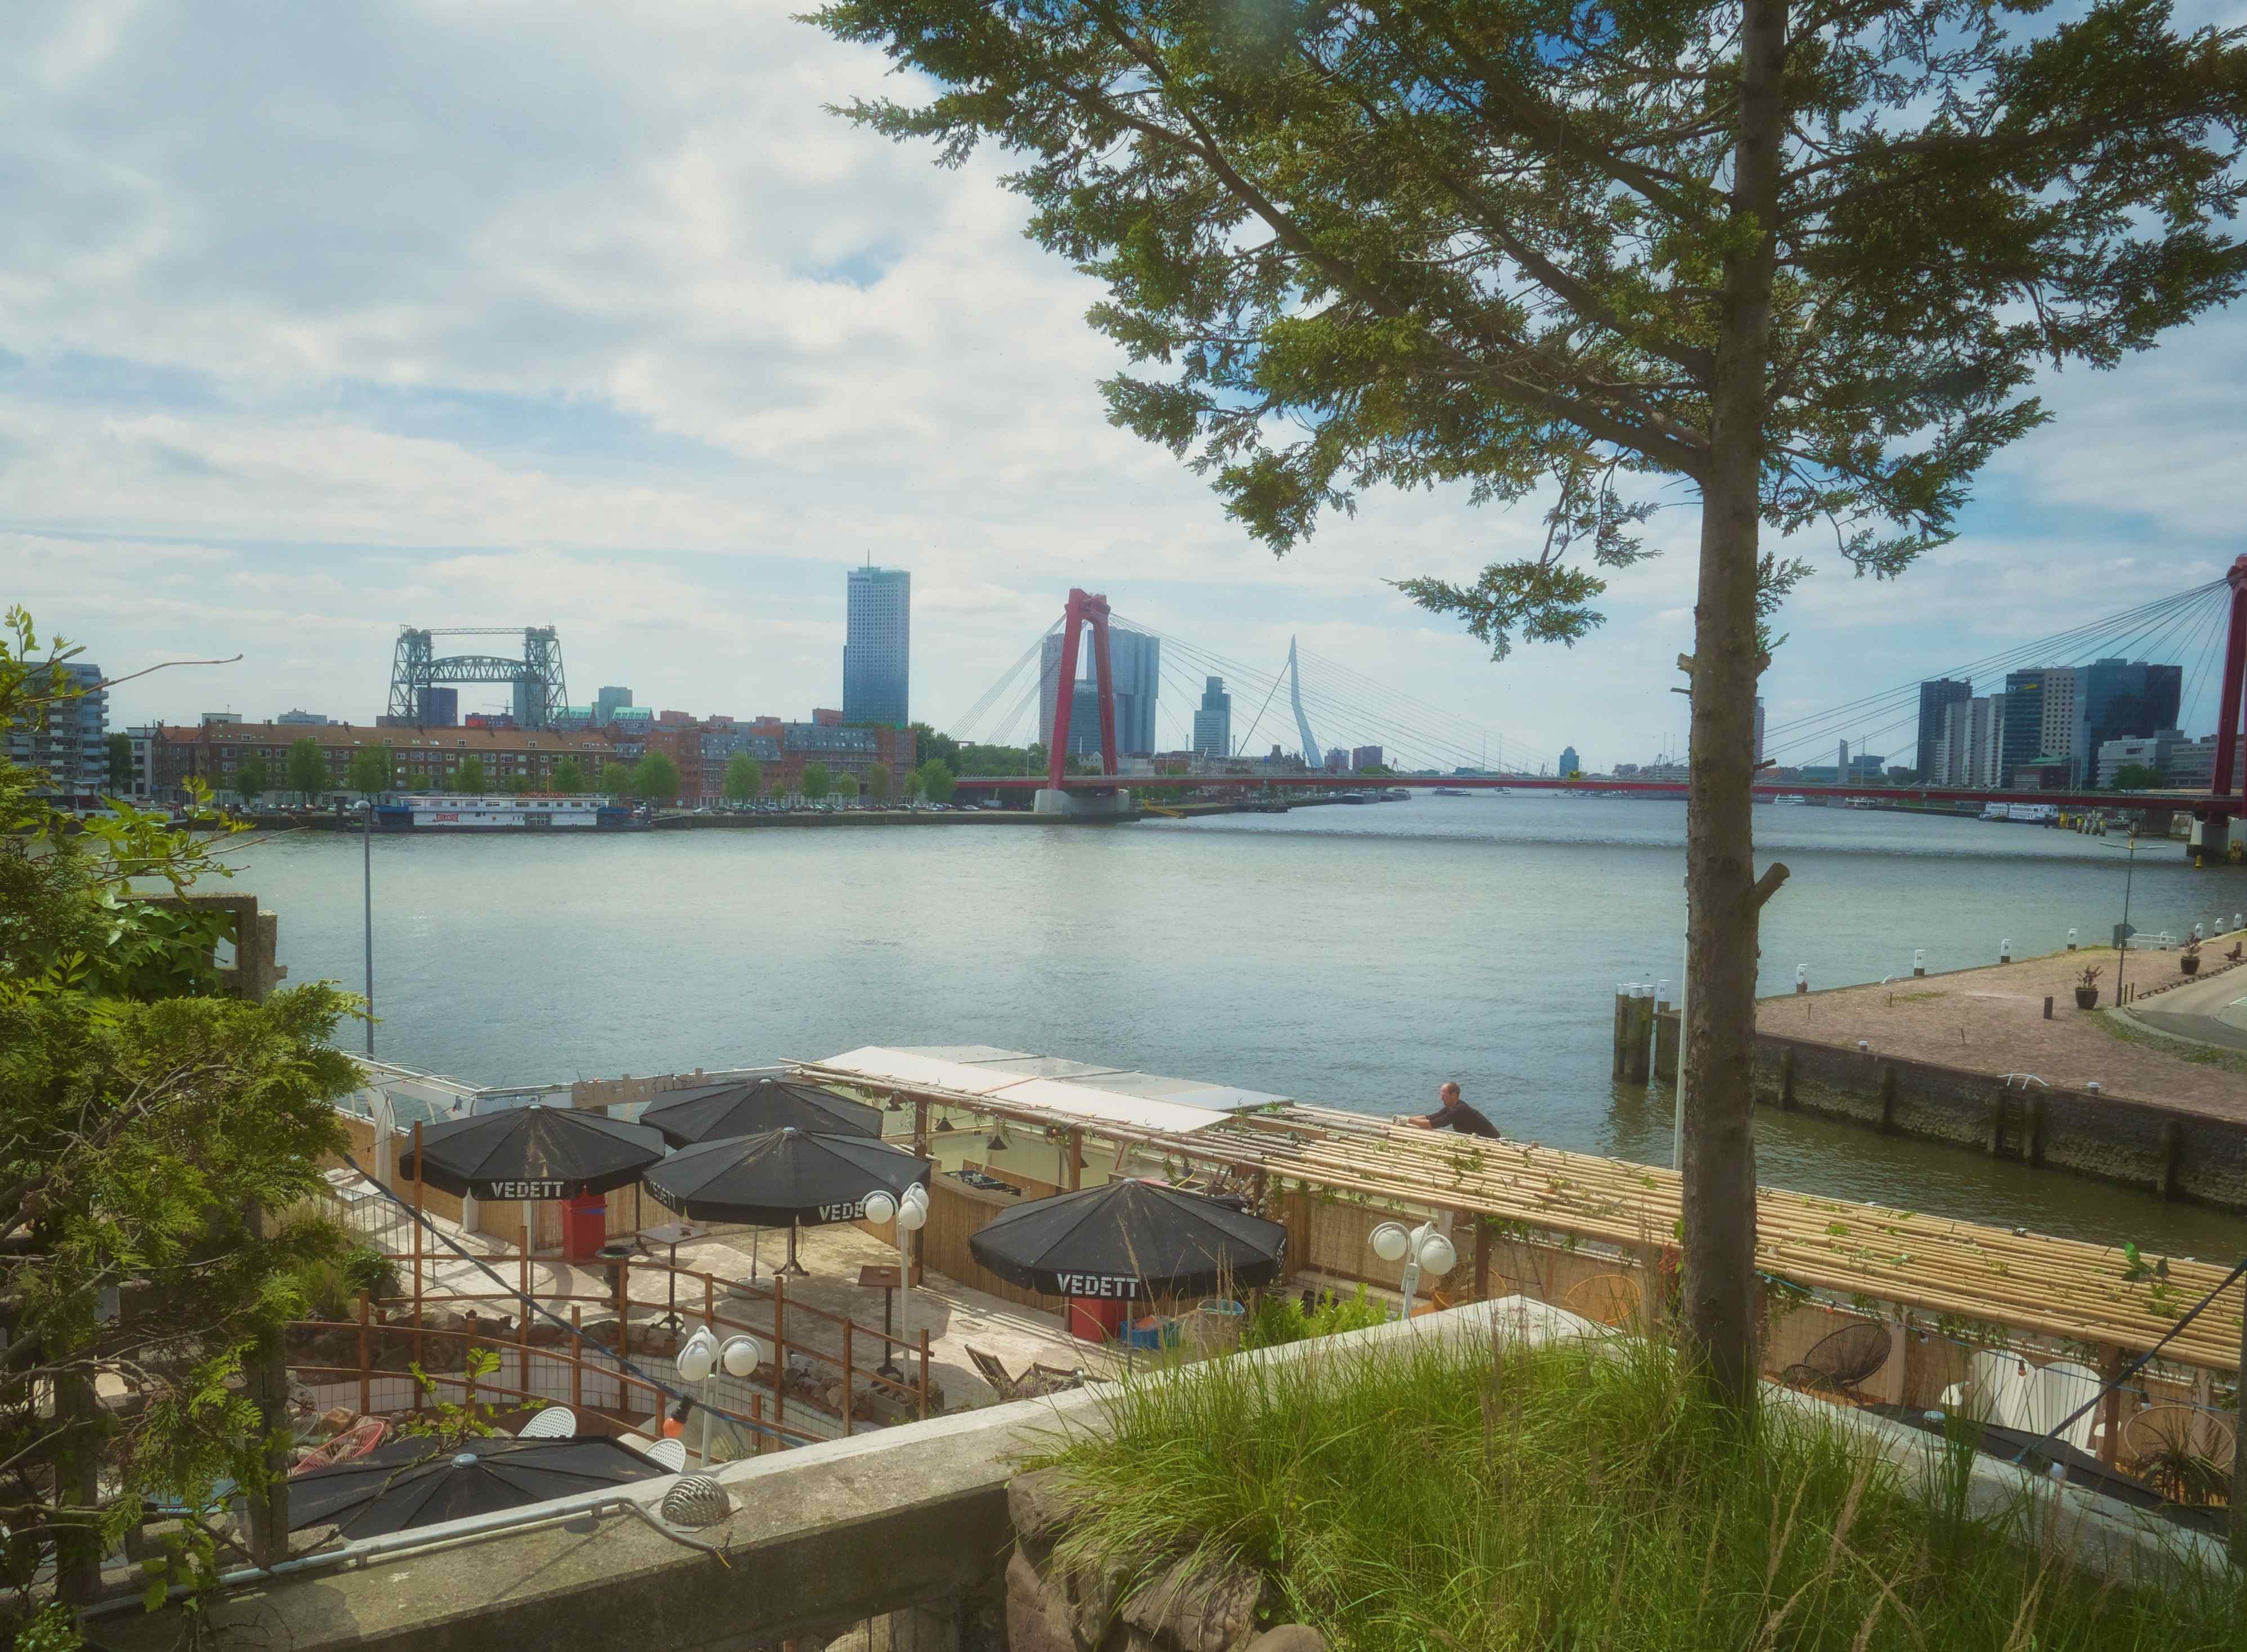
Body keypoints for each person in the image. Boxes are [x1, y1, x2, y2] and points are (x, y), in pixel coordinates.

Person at [1407, 1081, 1501, 1138]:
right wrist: (1407, 1119)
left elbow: (1434, 1124)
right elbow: (1431, 1117)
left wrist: (1409, 1121)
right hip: (1477, 1138)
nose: (1441, 1098)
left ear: (1453, 1095)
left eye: (1444, 1096)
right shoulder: (1451, 1107)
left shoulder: (1459, 1110)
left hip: (1491, 1140)